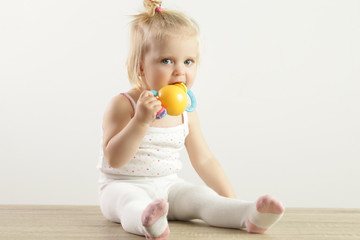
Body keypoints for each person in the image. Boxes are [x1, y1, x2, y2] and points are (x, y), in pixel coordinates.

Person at [97, 1, 284, 239]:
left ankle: (245, 214)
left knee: (201, 197)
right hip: (121, 187)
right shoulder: (124, 105)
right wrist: (141, 122)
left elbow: (204, 160)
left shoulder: (186, 109)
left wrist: (230, 199)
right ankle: (148, 222)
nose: (179, 71)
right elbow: (115, 159)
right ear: (141, 66)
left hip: (168, 186)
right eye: (167, 60)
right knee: (129, 202)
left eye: (188, 61)